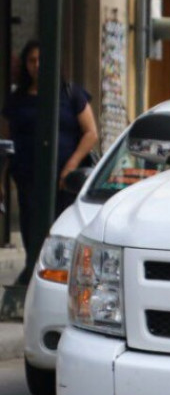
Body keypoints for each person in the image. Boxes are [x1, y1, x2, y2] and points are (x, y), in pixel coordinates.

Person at [1, 39, 98, 285]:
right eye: (31, 60)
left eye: (41, 60)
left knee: (61, 228)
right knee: (30, 226)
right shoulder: (17, 100)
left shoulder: (70, 93)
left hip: (64, 180)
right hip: (27, 178)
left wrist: (71, 166)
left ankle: (61, 275)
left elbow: (91, 133)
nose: (37, 65)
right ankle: (33, 273)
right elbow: (5, 140)